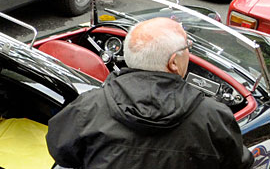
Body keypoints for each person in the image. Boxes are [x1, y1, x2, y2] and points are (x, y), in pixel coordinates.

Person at [46, 17, 254, 167]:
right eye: (187, 46)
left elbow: (60, 152)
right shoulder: (213, 117)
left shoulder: (88, 107)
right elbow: (238, 163)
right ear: (173, 62)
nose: (189, 52)